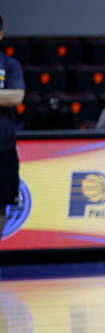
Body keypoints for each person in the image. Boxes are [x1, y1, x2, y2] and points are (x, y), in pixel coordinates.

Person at [0, 14, 25, 242]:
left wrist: (6, 97)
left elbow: (16, 96)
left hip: (3, 145)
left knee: (0, 205)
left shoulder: (9, 64)